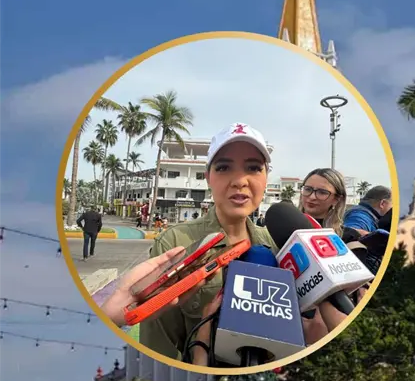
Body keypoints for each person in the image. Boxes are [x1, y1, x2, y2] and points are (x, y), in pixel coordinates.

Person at [139, 123, 278, 361]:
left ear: (266, 179)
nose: (240, 181)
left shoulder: (276, 246)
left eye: (253, 168)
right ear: (208, 178)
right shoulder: (175, 244)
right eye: (224, 167)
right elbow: (158, 347)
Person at [300, 168, 348, 236]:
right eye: (308, 189)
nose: (312, 197)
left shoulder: (347, 236)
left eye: (322, 192)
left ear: (337, 199)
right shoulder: (284, 226)